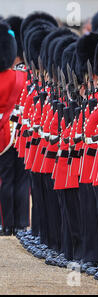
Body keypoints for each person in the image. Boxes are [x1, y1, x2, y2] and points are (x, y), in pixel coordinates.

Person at [0, 21, 28, 236]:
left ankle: (5, 223)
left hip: (2, 132)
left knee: (5, 179)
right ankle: (21, 223)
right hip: (19, 130)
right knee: (21, 179)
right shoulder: (21, 77)